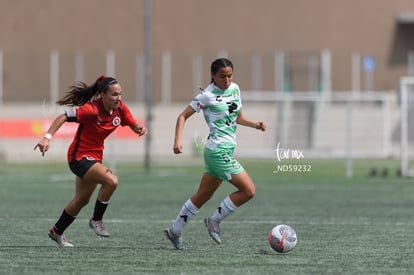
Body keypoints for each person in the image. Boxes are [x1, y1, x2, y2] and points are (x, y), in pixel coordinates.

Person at [164, 58, 266, 250]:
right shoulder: (207, 96)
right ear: (213, 76)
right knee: (248, 190)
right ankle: (214, 221)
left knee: (203, 195)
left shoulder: (235, 89)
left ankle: (175, 231)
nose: (226, 80)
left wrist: (255, 125)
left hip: (223, 150)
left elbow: (238, 118)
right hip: (217, 152)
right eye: (222, 76)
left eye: (229, 75)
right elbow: (182, 116)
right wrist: (177, 140)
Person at [34, 75, 147, 247]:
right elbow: (63, 117)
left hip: (94, 158)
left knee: (81, 200)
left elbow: (131, 123)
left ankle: (57, 231)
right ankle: (96, 220)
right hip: (78, 157)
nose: (119, 98)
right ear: (103, 95)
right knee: (112, 181)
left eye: (120, 94)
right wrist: (47, 137)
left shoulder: (120, 109)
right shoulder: (91, 110)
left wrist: (137, 128)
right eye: (114, 95)